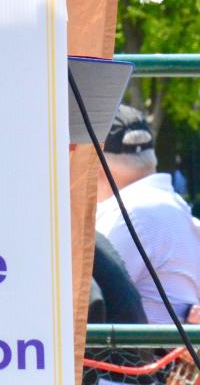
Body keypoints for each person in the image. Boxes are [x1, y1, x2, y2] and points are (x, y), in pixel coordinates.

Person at [96, 105, 200, 324]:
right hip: (168, 353)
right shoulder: (174, 206)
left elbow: (84, 299)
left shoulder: (129, 213)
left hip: (145, 356)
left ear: (95, 165)